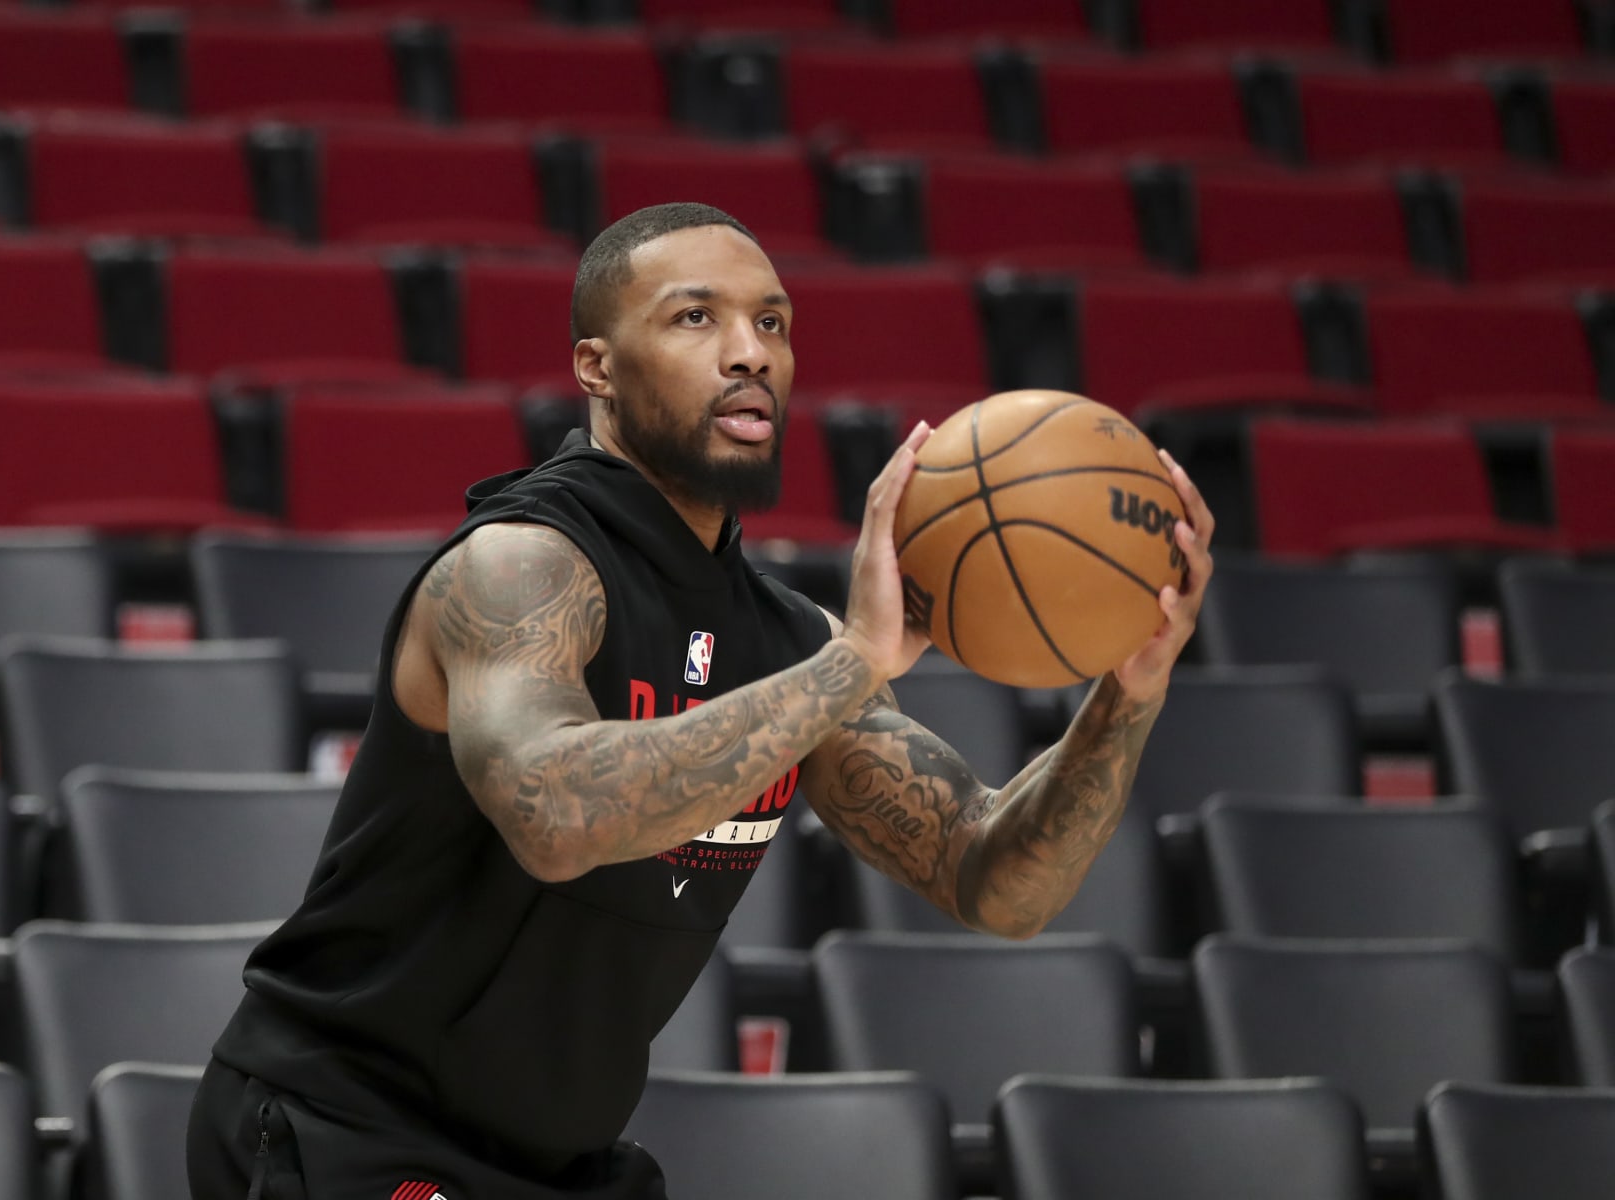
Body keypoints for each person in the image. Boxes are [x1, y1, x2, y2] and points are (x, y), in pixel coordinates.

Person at [186, 202, 1214, 1200]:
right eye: (696, 318)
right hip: (347, 1124)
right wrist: (849, 662)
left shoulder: (787, 638)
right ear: (596, 365)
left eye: (771, 322)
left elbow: (997, 882)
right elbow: (556, 815)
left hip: (555, 1161)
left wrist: (1128, 695)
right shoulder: (522, 566)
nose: (750, 352)